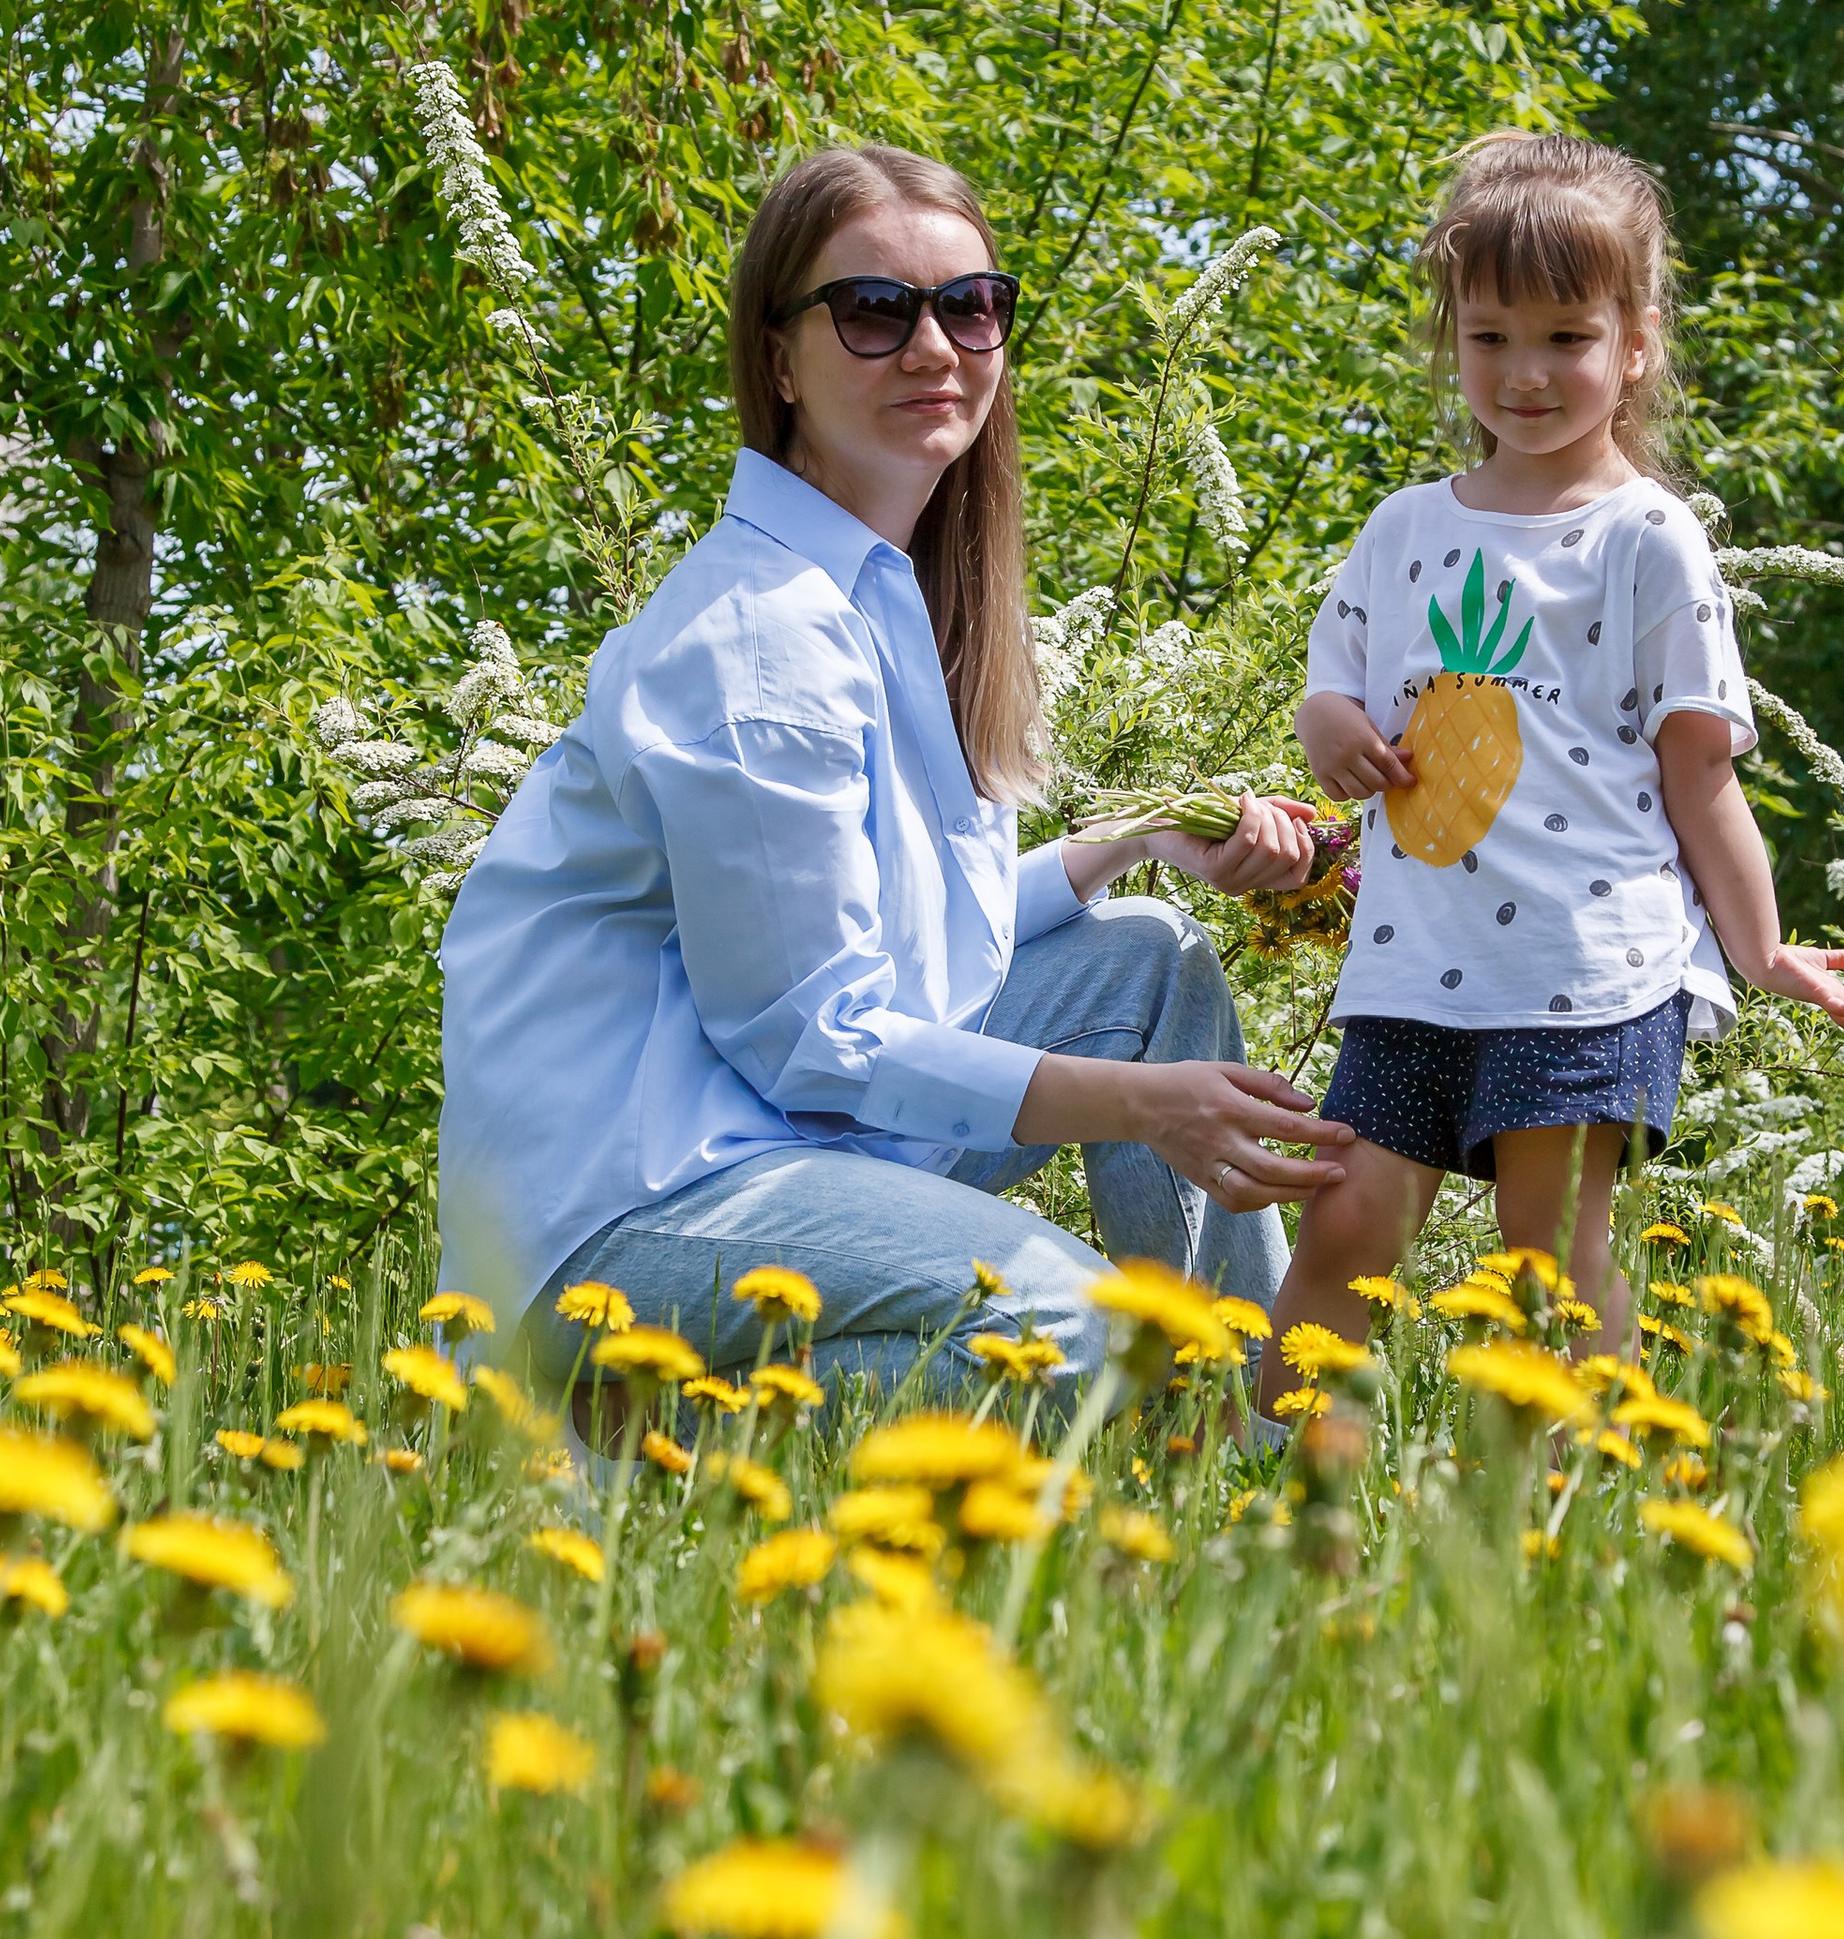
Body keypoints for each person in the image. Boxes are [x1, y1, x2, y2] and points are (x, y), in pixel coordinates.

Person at [436, 143, 1351, 1400]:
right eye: (875, 311)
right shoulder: (762, 632)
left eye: (969, 305)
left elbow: (891, 940)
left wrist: (1134, 837)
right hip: (625, 1211)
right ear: (778, 359)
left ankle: (1258, 1452)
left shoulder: (879, 598)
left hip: (786, 1149)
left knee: (1148, 958)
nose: (934, 346)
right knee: (1068, 1330)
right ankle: (625, 1446)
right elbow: (816, 1035)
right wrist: (1145, 1109)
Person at [1259, 132, 1844, 1402]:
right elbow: (1333, 679)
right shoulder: (1405, 528)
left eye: (1565, 336)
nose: (1525, 373)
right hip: (1409, 970)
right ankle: (1277, 1497)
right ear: (1454, 339)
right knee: (1343, 1229)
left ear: (1636, 341)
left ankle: (1563, 1505)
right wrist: (1328, 727)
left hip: (1587, 971)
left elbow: (1700, 771)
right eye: (1489, 336)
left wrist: (1762, 952)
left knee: (1543, 1259)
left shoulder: (1648, 540)